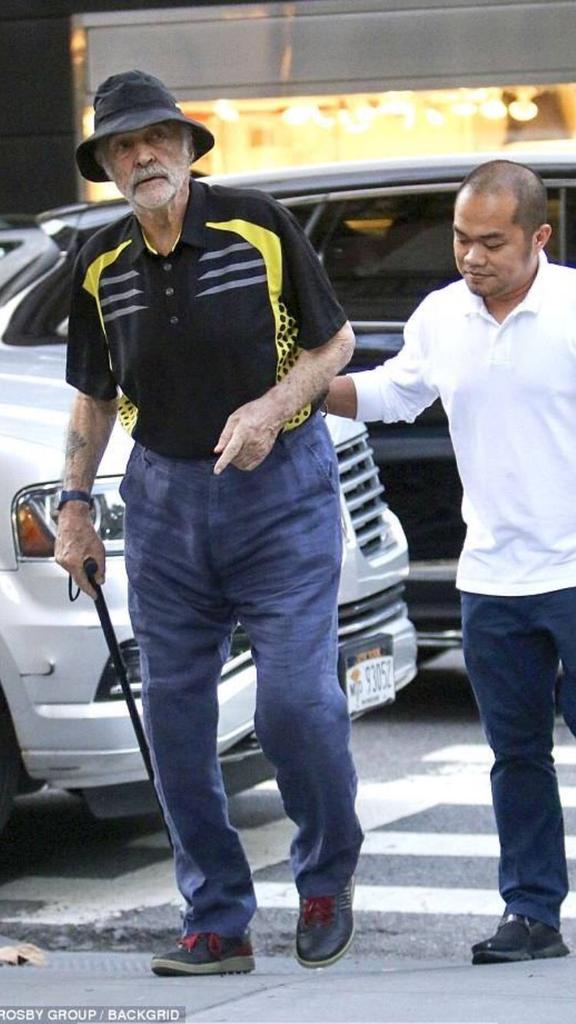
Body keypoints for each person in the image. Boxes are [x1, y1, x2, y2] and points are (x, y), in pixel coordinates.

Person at [55, 70, 363, 977]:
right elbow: (93, 397)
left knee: (296, 704)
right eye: (122, 146)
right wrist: (74, 507)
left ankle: (325, 878)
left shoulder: (257, 224)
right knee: (176, 722)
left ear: (188, 147)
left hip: (282, 492)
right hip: (164, 503)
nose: (142, 156)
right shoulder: (98, 264)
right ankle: (216, 919)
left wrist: (269, 409)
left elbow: (335, 343)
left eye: (157, 138)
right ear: (109, 166)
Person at [327, 159, 576, 965]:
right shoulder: (442, 314)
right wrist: (301, 390)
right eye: (462, 239)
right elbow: (394, 393)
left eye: (492, 242)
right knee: (516, 757)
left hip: (574, 572)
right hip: (491, 580)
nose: (472, 256)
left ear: (539, 237)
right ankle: (531, 915)